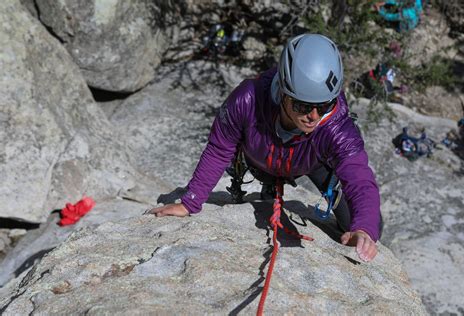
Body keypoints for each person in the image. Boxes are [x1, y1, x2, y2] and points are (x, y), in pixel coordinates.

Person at [149, 34, 382, 262]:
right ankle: (267, 187)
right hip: (259, 156)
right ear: (282, 91)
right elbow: (220, 149)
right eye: (302, 105)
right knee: (265, 174)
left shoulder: (335, 126)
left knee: (367, 224)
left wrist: (363, 229)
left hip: (311, 160)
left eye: (323, 106)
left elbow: (359, 178)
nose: (313, 116)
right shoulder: (247, 100)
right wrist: (190, 202)